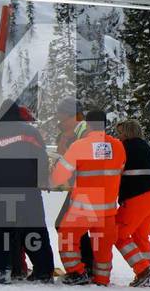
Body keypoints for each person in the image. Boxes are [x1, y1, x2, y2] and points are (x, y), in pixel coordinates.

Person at [0, 100, 55, 284]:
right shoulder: (31, 131)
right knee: (35, 229)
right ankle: (43, 271)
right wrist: (42, 180)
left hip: (2, 191)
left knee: (3, 231)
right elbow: (42, 158)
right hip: (28, 189)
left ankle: (3, 270)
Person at [51, 110, 126, 286]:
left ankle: (77, 273)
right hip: (108, 209)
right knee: (103, 248)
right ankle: (102, 280)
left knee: (66, 236)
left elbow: (59, 177)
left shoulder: (80, 145)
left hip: (84, 206)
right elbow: (119, 169)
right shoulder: (118, 146)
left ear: (88, 124)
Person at [115, 120, 150, 287]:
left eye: (120, 133)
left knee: (118, 233)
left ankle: (142, 269)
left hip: (136, 197)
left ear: (127, 133)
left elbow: (115, 171)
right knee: (140, 236)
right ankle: (144, 277)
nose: (118, 137)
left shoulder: (124, 147)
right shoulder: (145, 147)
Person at [53, 98, 94, 276]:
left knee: (64, 225)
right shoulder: (68, 133)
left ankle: (83, 267)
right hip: (78, 188)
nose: (59, 120)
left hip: (86, 188)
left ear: (71, 116)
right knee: (69, 226)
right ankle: (86, 264)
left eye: (61, 116)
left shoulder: (83, 131)